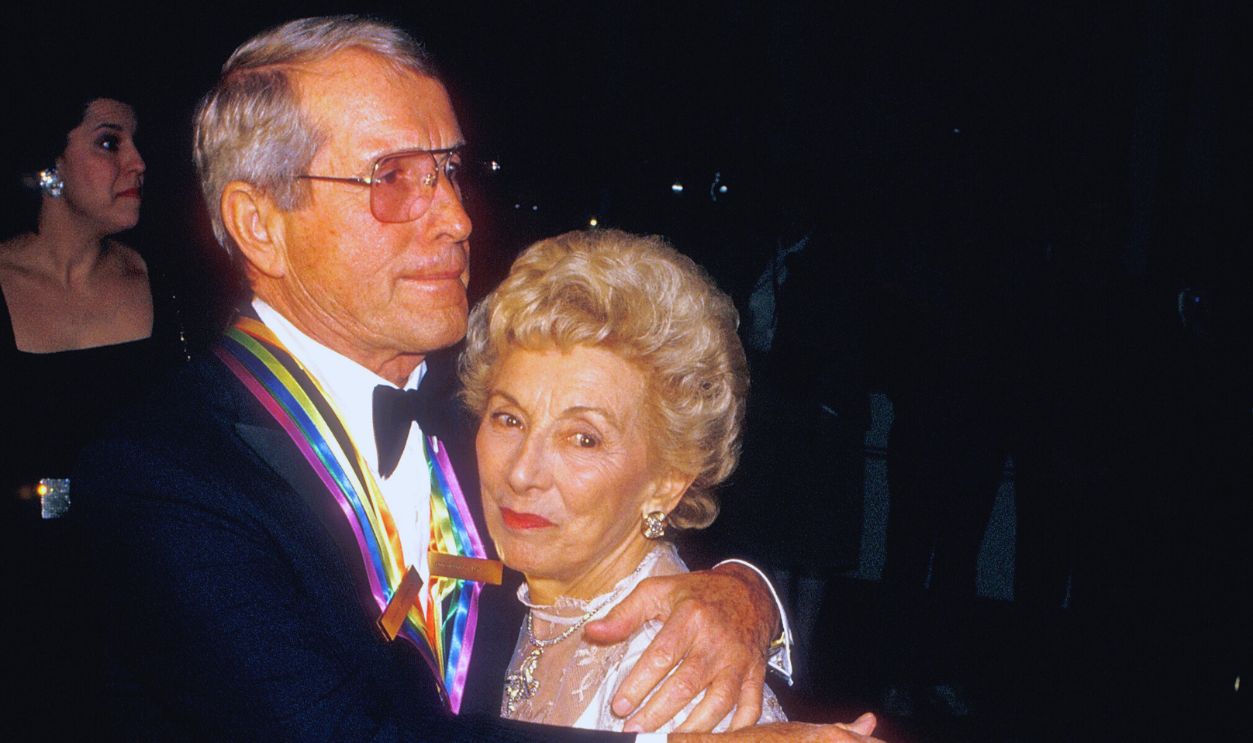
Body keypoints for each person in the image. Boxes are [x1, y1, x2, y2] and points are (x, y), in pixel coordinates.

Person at [75, 16, 880, 742]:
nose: (456, 218)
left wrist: (743, 598)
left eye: (449, 170)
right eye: (391, 177)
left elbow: (651, 516)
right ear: (261, 224)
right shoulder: (165, 479)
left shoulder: (501, 407)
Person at [459, 228, 788, 732]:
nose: (522, 473)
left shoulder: (672, 683)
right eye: (509, 419)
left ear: (669, 480)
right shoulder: (507, 596)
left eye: (583, 439)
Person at [0, 90, 188, 739]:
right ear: (50, 166)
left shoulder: (169, 286)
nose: (137, 161)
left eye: (135, 143)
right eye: (110, 143)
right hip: (27, 616)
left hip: (152, 610)